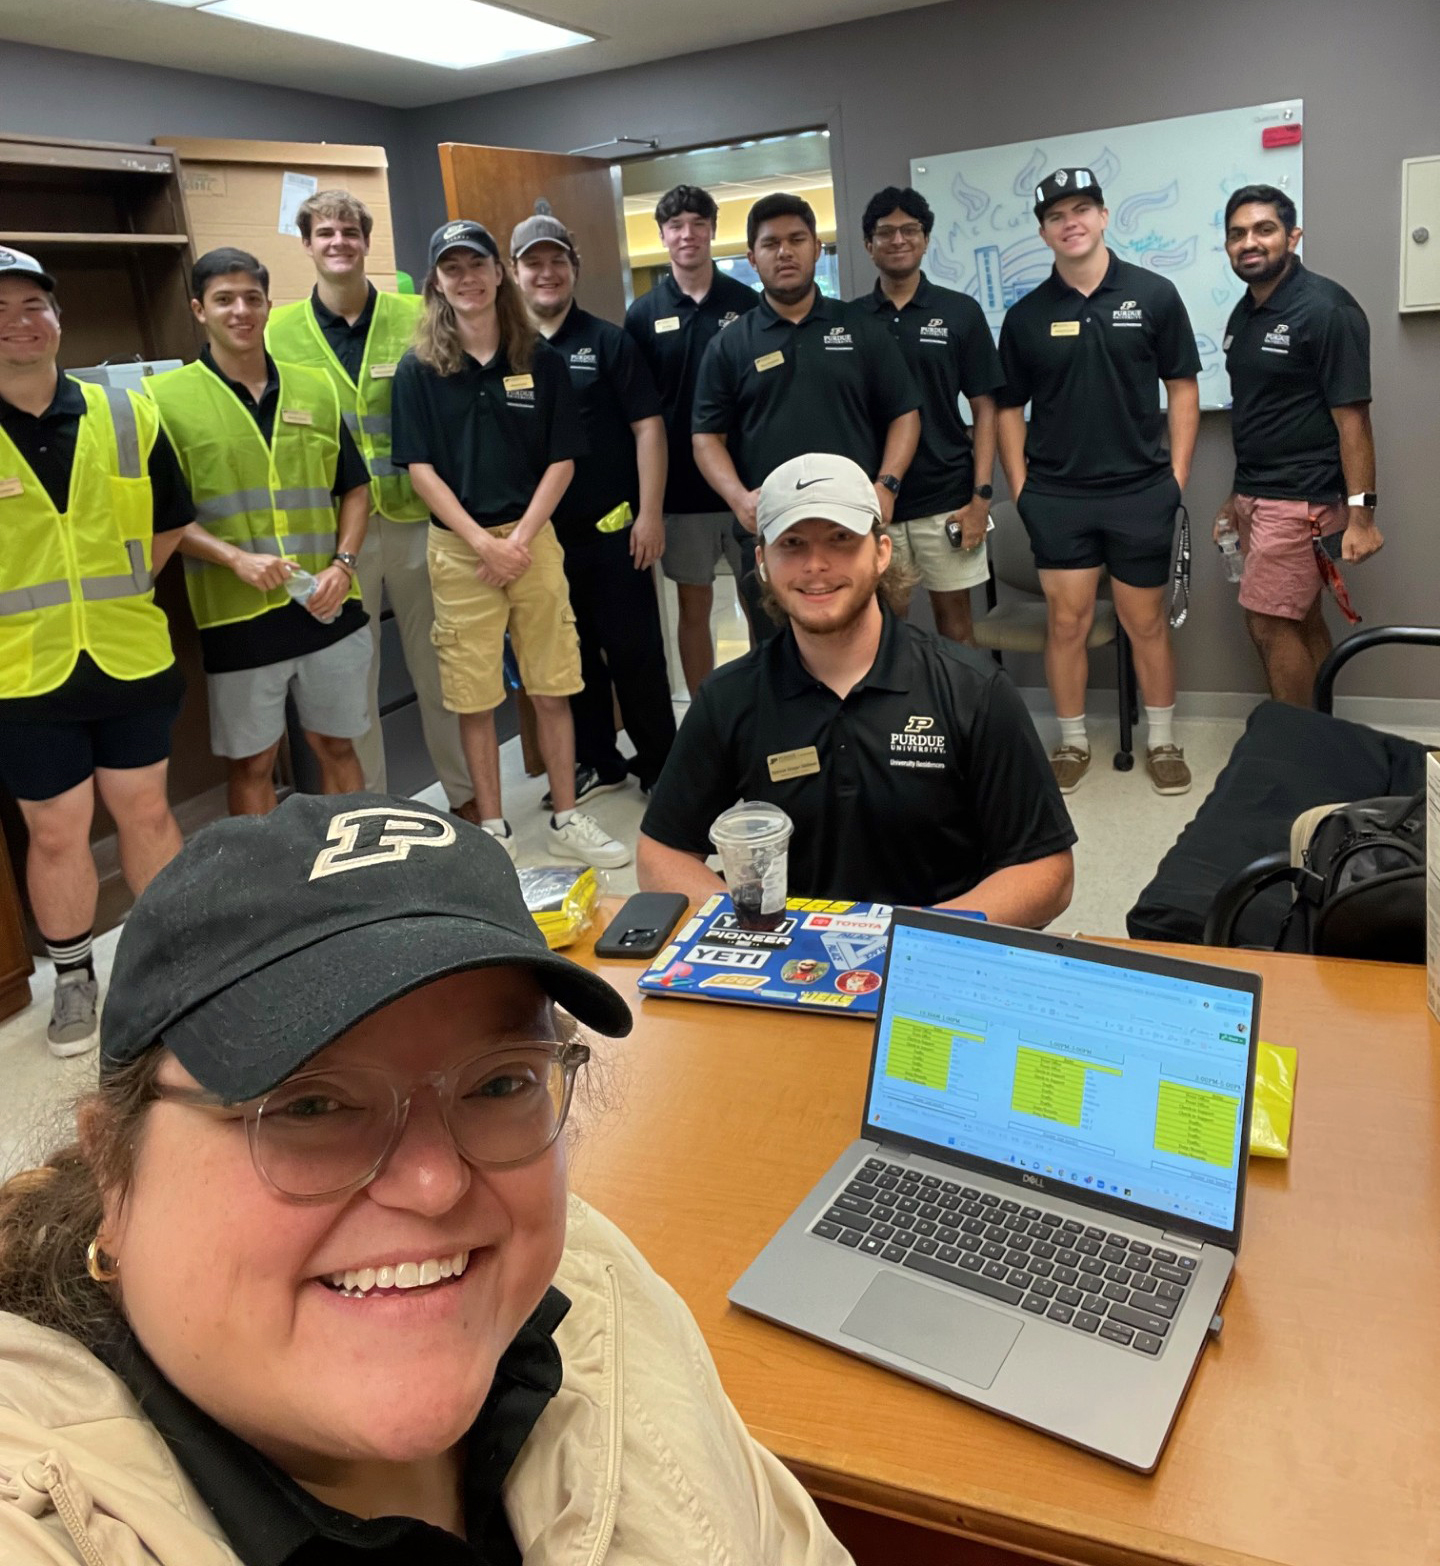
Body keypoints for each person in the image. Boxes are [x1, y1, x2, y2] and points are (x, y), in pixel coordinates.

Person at [0, 791, 855, 1564]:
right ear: (115, 1166)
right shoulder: (39, 1515)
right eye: (308, 1108)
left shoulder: (594, 1285)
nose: (436, 1183)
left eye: (497, 1084)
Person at [637, 454, 1075, 921]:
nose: (816, 565)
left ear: (882, 552)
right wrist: (757, 927)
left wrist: (911, 939)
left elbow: (1047, 870)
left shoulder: (973, 691)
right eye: (793, 544)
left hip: (933, 958)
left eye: (841, 540)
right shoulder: (729, 698)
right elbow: (660, 854)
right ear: (763, 561)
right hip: (793, 967)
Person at [390, 221, 627, 869]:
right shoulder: (418, 370)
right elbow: (419, 471)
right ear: (438, 282)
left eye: (477, 265)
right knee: (474, 695)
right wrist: (481, 544)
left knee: (553, 683)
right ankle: (492, 828)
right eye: (452, 268)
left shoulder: (539, 362)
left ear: (500, 274)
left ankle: (566, 814)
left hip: (533, 541)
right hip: (460, 549)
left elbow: (563, 460)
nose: (466, 279)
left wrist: (518, 539)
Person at [0, 246, 187, 1055]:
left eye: (34, 305)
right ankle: (74, 979)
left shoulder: (125, 411)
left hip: (129, 654)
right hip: (26, 670)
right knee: (56, 831)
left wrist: (130, 577)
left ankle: (166, 963)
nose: (20, 324)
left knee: (146, 811)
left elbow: (174, 512)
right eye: (0, 313)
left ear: (58, 316)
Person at [267, 190, 475, 818]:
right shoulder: (278, 331)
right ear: (307, 243)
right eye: (325, 233)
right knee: (351, 686)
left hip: (419, 521)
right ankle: (378, 817)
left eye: (350, 232)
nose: (338, 243)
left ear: (366, 241)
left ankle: (467, 800)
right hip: (336, 538)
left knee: (442, 668)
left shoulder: (416, 313)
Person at [146, 247, 373, 816]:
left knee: (337, 745)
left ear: (270, 305)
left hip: (326, 603)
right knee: (252, 763)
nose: (240, 310)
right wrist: (234, 559)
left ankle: (368, 873)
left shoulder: (314, 389)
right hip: (236, 613)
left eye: (252, 298)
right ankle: (268, 896)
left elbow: (356, 488)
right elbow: (163, 517)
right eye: (224, 299)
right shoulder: (163, 402)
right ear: (200, 309)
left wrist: (343, 564)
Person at [996, 168, 1201, 797]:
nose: (1071, 223)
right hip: (1057, 497)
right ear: (1044, 232)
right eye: (1057, 216)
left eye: (1082, 209)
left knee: (1145, 624)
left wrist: (1176, 478)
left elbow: (1184, 386)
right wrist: (1023, 488)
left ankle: (1162, 739)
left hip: (1141, 491)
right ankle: (1073, 742)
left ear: (1104, 217)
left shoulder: (1155, 295)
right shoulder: (1026, 316)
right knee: (1067, 624)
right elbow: (1007, 408)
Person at [692, 193, 921, 639]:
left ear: (817, 248)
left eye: (797, 239)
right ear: (752, 259)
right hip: (772, 530)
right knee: (778, 658)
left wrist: (887, 484)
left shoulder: (860, 327)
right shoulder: (730, 344)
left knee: (871, 646)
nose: (785, 252)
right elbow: (706, 438)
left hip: (852, 524)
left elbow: (904, 413)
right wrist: (740, 500)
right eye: (771, 243)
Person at [510, 210, 676, 802]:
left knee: (635, 653)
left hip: (614, 530)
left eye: (558, 261)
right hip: (538, 540)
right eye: (534, 263)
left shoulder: (608, 341)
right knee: (567, 658)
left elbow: (648, 429)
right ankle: (598, 761)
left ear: (575, 269)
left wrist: (650, 512)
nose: (547, 273)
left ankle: (661, 764)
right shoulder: (506, 351)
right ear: (515, 273)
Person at [1219, 184, 1380, 704]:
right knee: (1300, 618)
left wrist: (1362, 517)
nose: (1250, 242)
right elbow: (1259, 413)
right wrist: (1236, 494)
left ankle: (1293, 749)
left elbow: (1353, 419)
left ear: (1292, 235)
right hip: (1258, 492)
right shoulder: (1244, 313)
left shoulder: (1326, 309)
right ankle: (1318, 740)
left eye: (1263, 230)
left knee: (1268, 624)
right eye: (1237, 233)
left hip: (1300, 498)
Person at [852, 186, 1005, 646]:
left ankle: (960, 717)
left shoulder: (959, 312)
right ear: (868, 245)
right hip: (874, 499)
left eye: (910, 230)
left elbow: (985, 409)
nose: (898, 240)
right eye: (885, 232)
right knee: (883, 624)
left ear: (925, 239)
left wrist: (981, 497)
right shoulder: (849, 321)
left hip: (948, 497)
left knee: (956, 626)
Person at [624, 184, 761, 692]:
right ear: (662, 236)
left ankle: (764, 706)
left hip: (745, 486)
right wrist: (649, 506)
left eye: (697, 224)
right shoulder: (642, 315)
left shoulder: (747, 304)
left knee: (761, 602)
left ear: (712, 231)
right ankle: (706, 712)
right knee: (693, 606)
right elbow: (638, 417)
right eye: (676, 226)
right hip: (679, 493)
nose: (688, 235)